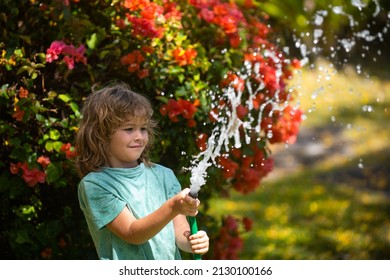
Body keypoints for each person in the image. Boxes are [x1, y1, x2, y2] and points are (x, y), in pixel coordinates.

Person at [74, 82, 209, 260]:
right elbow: (132, 233)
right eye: (129, 129)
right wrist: (173, 206)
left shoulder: (163, 176)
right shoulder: (96, 184)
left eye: (143, 128)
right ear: (101, 135)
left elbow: (179, 231)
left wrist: (192, 241)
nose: (139, 136)